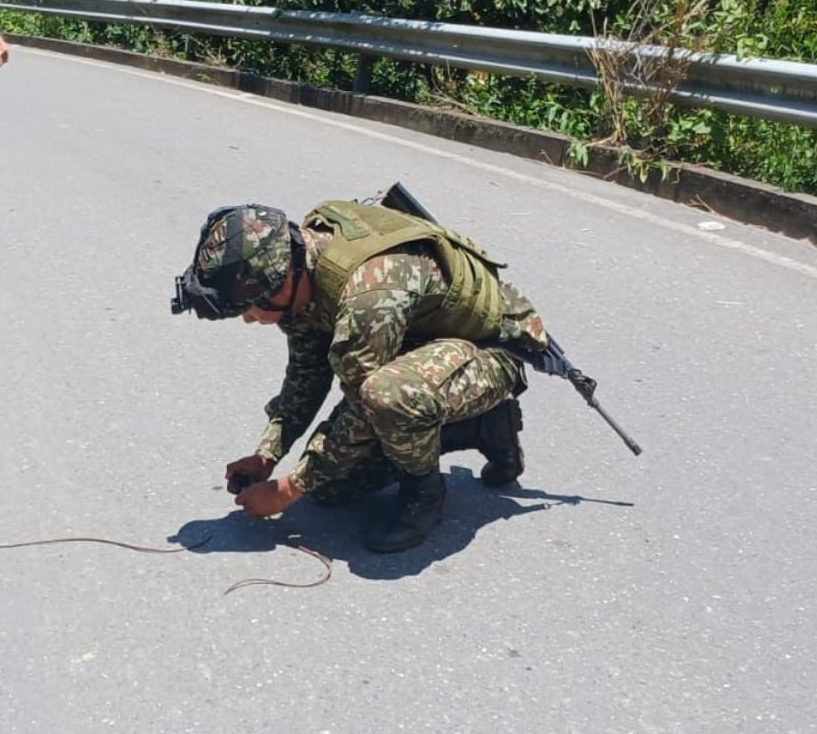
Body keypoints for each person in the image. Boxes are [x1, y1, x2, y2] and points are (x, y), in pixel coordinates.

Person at [170, 195, 553, 553]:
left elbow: (361, 407)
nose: (251, 319)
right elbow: (307, 374)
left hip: (492, 352)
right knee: (332, 487)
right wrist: (269, 454)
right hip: (421, 346)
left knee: (386, 396)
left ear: (282, 281)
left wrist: (289, 487)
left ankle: (426, 494)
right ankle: (481, 427)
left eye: (250, 309)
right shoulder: (298, 268)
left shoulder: (366, 295)